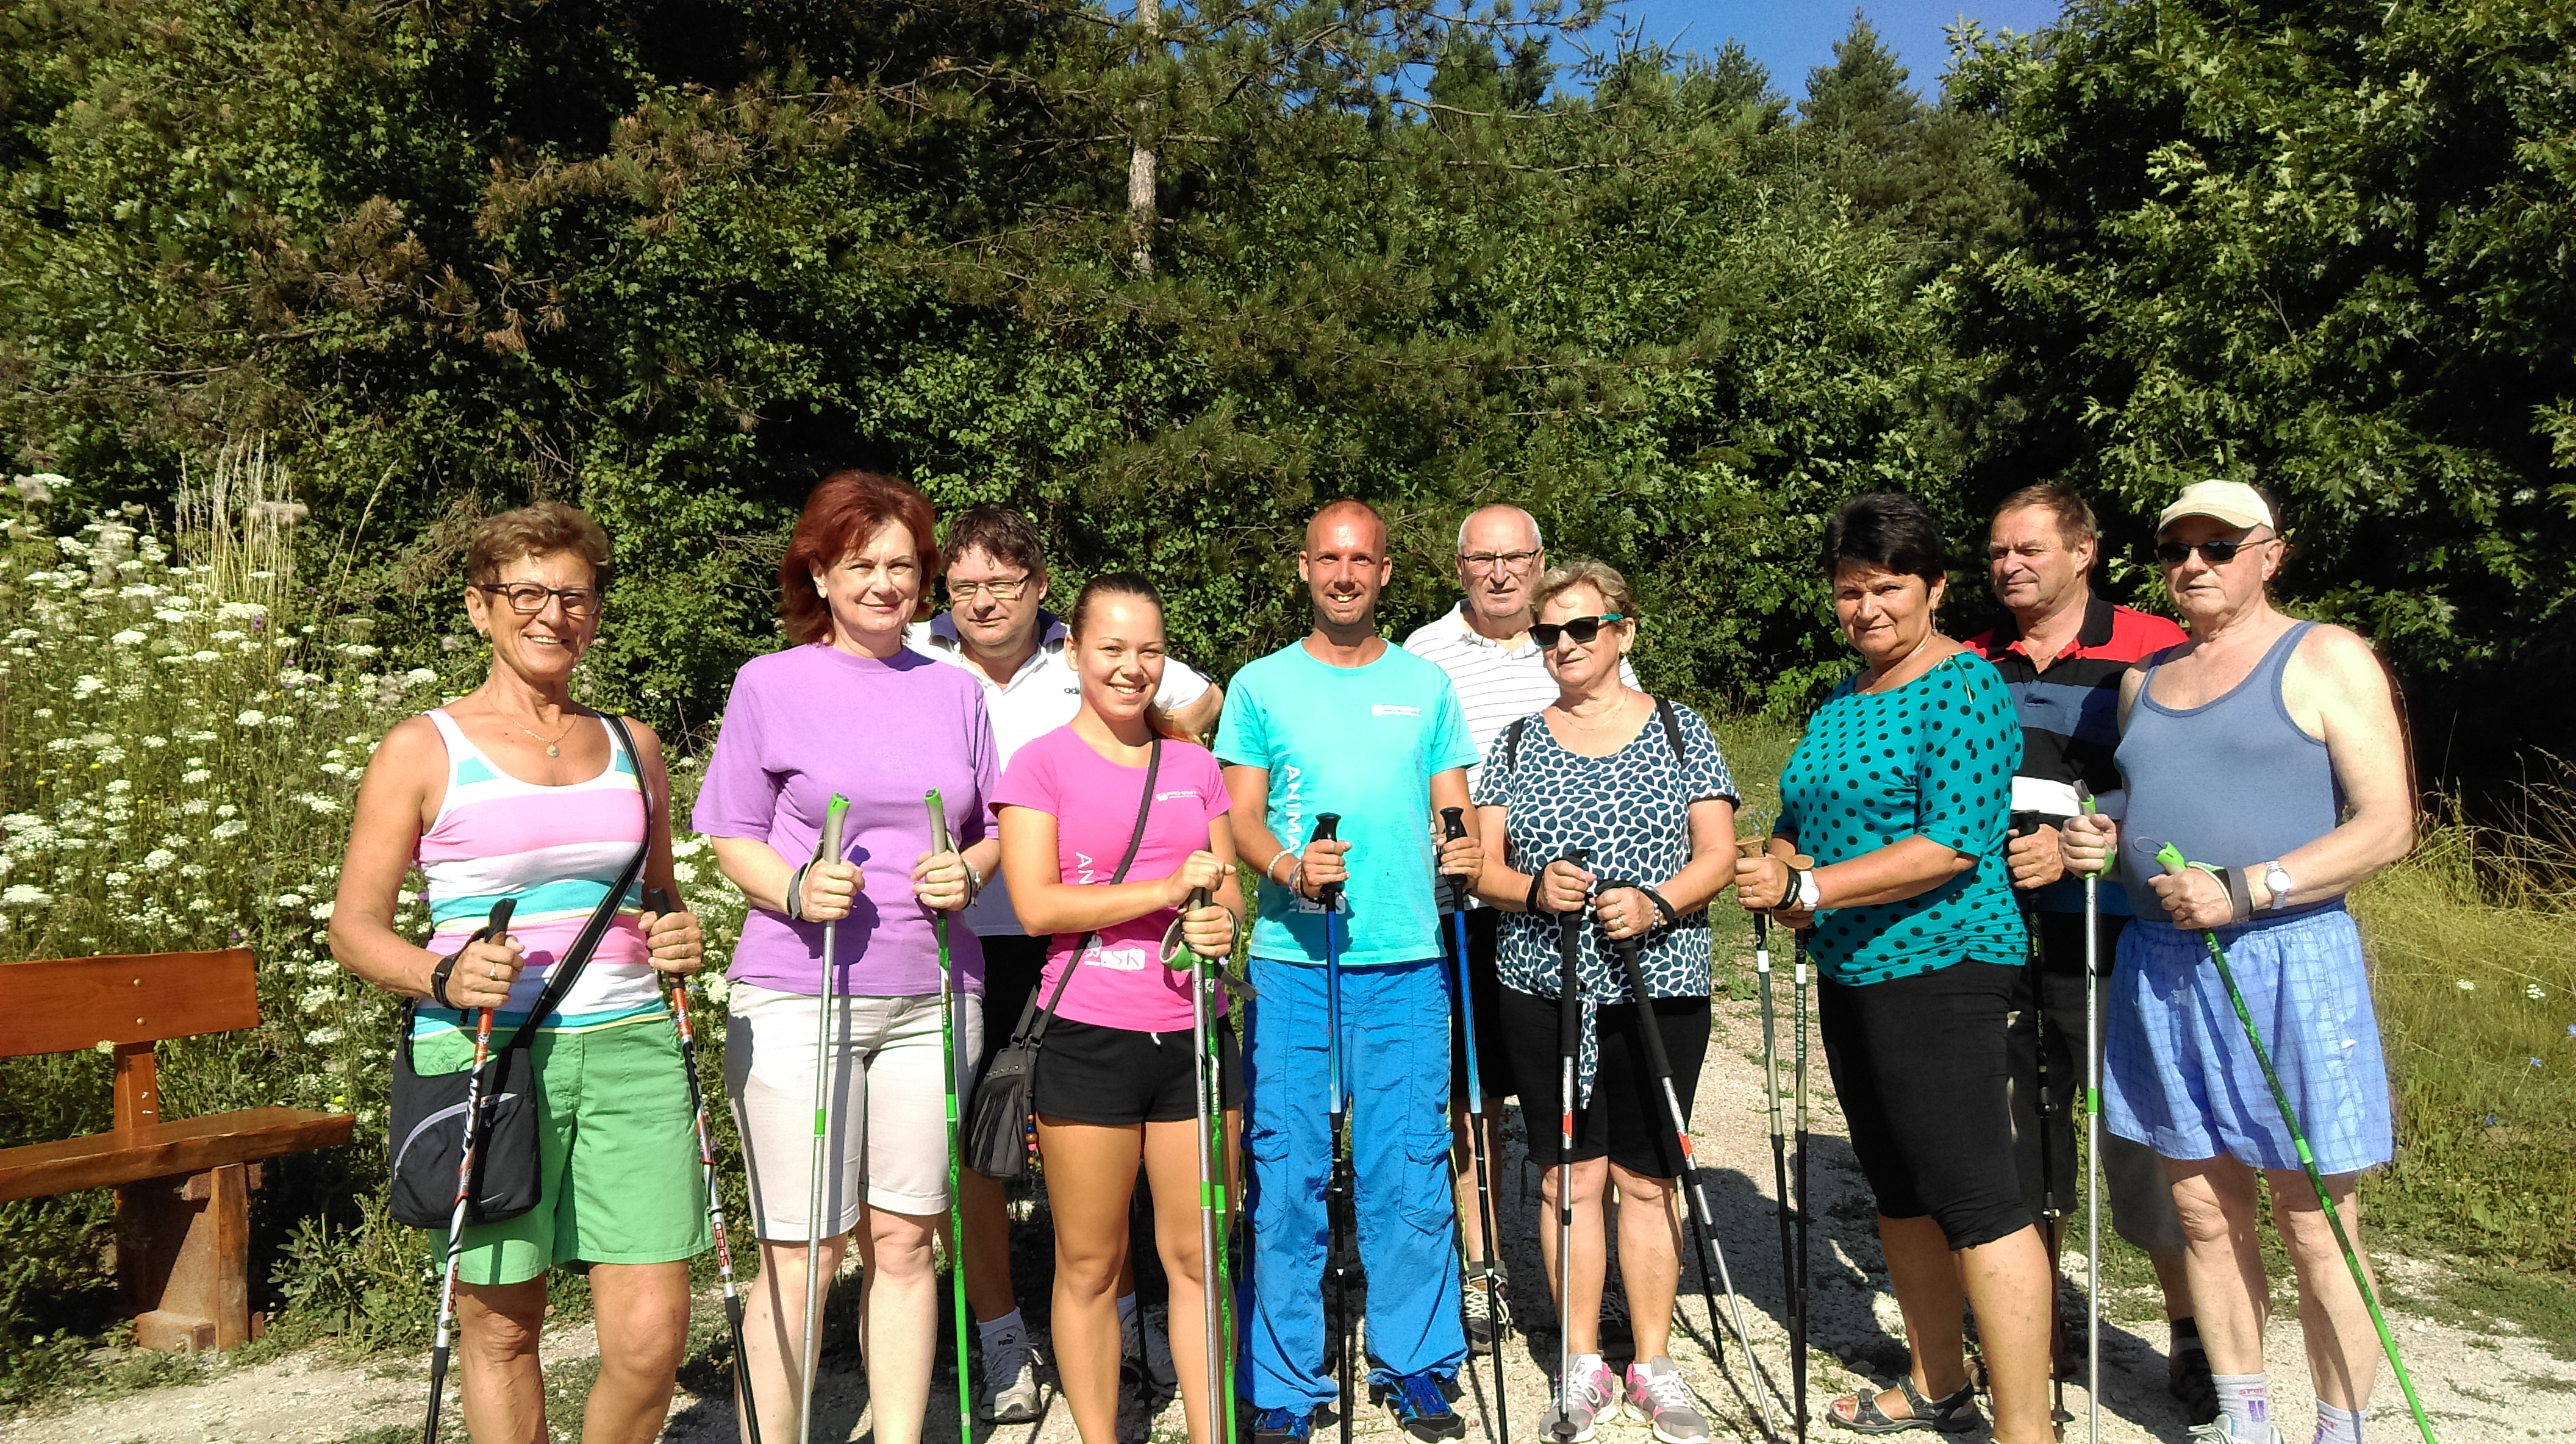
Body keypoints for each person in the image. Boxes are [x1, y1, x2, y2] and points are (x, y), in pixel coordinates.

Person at [332, 502, 707, 1444]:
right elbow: (354, 929)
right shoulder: (423, 748)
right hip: (485, 1058)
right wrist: (443, 974)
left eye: (573, 594)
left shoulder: (634, 744)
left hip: (633, 1049)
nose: (552, 613)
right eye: (526, 592)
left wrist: (677, 933)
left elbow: (657, 893)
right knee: (501, 1330)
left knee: (653, 1340)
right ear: (478, 608)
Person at [2059, 481, 2414, 1444]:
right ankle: (2245, 1424)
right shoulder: (2149, 678)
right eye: (2179, 549)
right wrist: (2105, 835)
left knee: (2315, 1221)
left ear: (2272, 553)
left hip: (2286, 958)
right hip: (2163, 966)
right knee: (2205, 1216)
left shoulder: (2327, 655)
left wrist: (2253, 887)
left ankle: (2340, 1431)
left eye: (2221, 546)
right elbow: (2149, 804)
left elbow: (2388, 827)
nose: (2195, 565)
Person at [1733, 491, 2052, 1444]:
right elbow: (1803, 809)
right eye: (1848, 592)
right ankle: (1937, 1382)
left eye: (1887, 589)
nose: (1867, 609)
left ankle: (2027, 1429)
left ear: (1936, 588)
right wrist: (1781, 858)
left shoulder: (1963, 687)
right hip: (1853, 966)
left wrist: (1817, 887)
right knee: (1899, 1186)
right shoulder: (1842, 697)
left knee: (1975, 1196)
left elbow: (1955, 842)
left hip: (1943, 962)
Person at [693, 470, 1000, 1444]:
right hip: (798, 993)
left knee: (907, 1240)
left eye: (903, 566)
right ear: (819, 573)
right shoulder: (769, 682)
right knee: (806, 1249)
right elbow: (730, 830)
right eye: (861, 564)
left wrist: (968, 871)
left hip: (935, 995)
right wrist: (792, 889)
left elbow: (993, 830)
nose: (884, 584)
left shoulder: (956, 692)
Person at [905, 504, 1224, 1417]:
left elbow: (1196, 702)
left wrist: (1171, 752)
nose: (982, 600)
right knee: (984, 1139)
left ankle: (1130, 1315)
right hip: (982, 933)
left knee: (1117, 1144)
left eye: (1002, 584)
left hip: (1097, 949)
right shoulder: (920, 655)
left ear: (1039, 589)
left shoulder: (1082, 647)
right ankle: (1001, 1332)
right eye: (964, 585)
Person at [1217, 498, 1485, 1444]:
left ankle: (1415, 1360)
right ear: (1304, 569)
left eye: (1361, 560)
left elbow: (1455, 806)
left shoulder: (1427, 685)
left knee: (1407, 1168)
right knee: (1285, 1171)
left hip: (1407, 959)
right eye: (1328, 559)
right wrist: (1289, 867)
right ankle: (1289, 1378)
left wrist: (1464, 848)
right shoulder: (1260, 686)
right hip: (1294, 959)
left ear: (1383, 573)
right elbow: (1242, 821)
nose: (1344, 575)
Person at [1466, 559, 1738, 1444]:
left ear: (1624, 632)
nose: (1566, 647)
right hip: (1546, 984)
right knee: (1566, 1176)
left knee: (1647, 1178)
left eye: (1585, 628)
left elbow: (1719, 856)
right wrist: (1534, 891)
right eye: (1551, 634)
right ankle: (1582, 1362)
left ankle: (1654, 1363)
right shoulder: (1513, 742)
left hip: (1659, 983)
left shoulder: (1680, 728)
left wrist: (1659, 902)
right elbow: (1485, 871)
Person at [1962, 484, 2212, 1416]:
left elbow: (2182, 783)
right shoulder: (1974, 660)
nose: (2010, 565)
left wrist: (2087, 827)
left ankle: (2193, 1332)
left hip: (2112, 931)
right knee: (2021, 1131)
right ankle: (2040, 1323)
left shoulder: (2152, 647)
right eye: (1996, 552)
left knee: (2139, 1135)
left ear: (2084, 552)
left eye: (2028, 548)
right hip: (1994, 930)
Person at [993, 572, 1247, 1444]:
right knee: (1091, 1263)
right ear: (1075, 653)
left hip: (1193, 1036)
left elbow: (1231, 891)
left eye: (1149, 650)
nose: (1132, 667)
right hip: (1086, 1035)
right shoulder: (1040, 766)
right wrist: (1164, 890)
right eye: (1113, 648)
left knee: (1197, 1260)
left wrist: (1218, 920)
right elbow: (1037, 907)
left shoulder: (1194, 764)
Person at [1401, 504, 1635, 1345]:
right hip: (1467, 907)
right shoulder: (1424, 654)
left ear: (1540, 560)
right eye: (1483, 560)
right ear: (1458, 567)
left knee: (1580, 1094)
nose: (1501, 573)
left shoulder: (1577, 631)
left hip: (1573, 913)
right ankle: (1484, 1267)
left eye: (1516, 558)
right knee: (1476, 1099)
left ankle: (1586, 1268)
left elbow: (1632, 744)